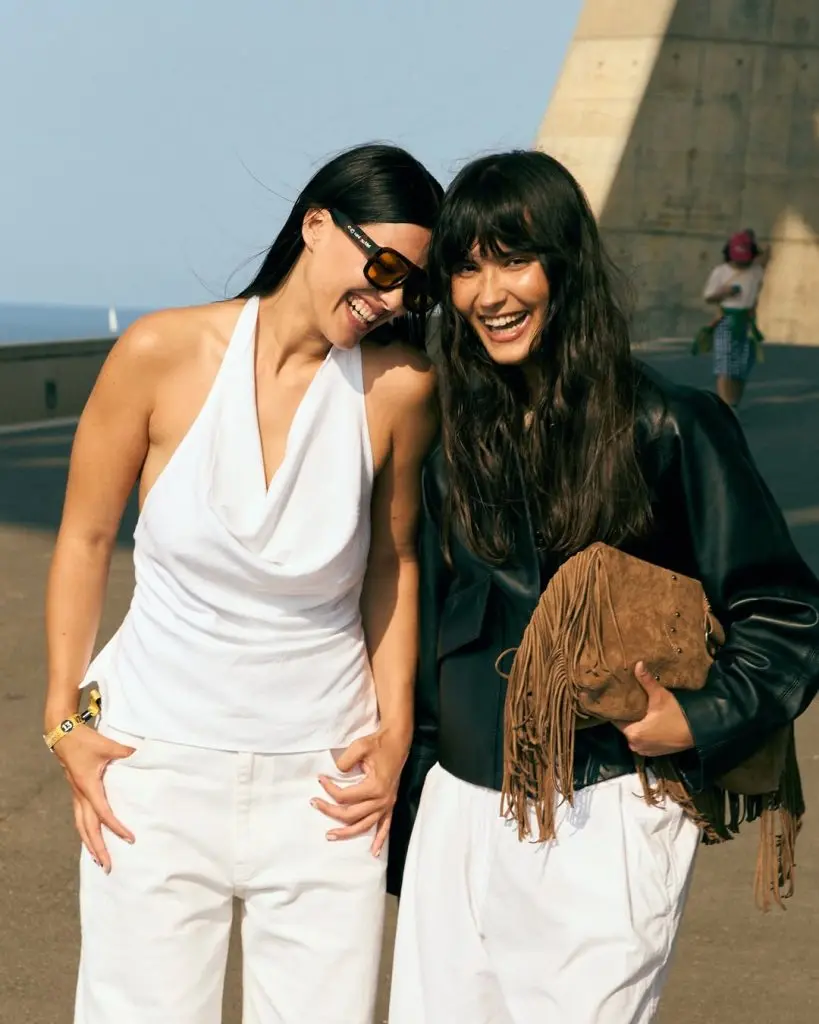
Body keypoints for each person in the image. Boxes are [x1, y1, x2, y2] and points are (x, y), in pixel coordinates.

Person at [386, 151, 819, 1023]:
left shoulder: (670, 425)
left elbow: (784, 615)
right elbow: (429, 642)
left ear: (565, 265)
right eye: (465, 268)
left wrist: (692, 718)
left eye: (514, 260)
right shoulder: (454, 449)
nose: (489, 293)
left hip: (605, 804)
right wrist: (412, 813)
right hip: (457, 810)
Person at [43, 142, 441, 1024]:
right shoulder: (161, 351)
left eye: (413, 287)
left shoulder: (400, 389)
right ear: (316, 225)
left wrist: (395, 730)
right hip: (150, 767)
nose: (391, 300)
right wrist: (63, 721)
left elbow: (393, 563)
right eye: (384, 268)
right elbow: (85, 537)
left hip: (328, 786)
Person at [701, 229, 766, 409]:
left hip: (746, 323)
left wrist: (750, 241)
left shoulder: (756, 271)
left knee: (742, 366)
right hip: (726, 321)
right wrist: (724, 292)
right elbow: (708, 297)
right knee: (725, 364)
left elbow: (766, 256)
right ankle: (725, 406)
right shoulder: (721, 272)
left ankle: (734, 403)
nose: (740, 263)